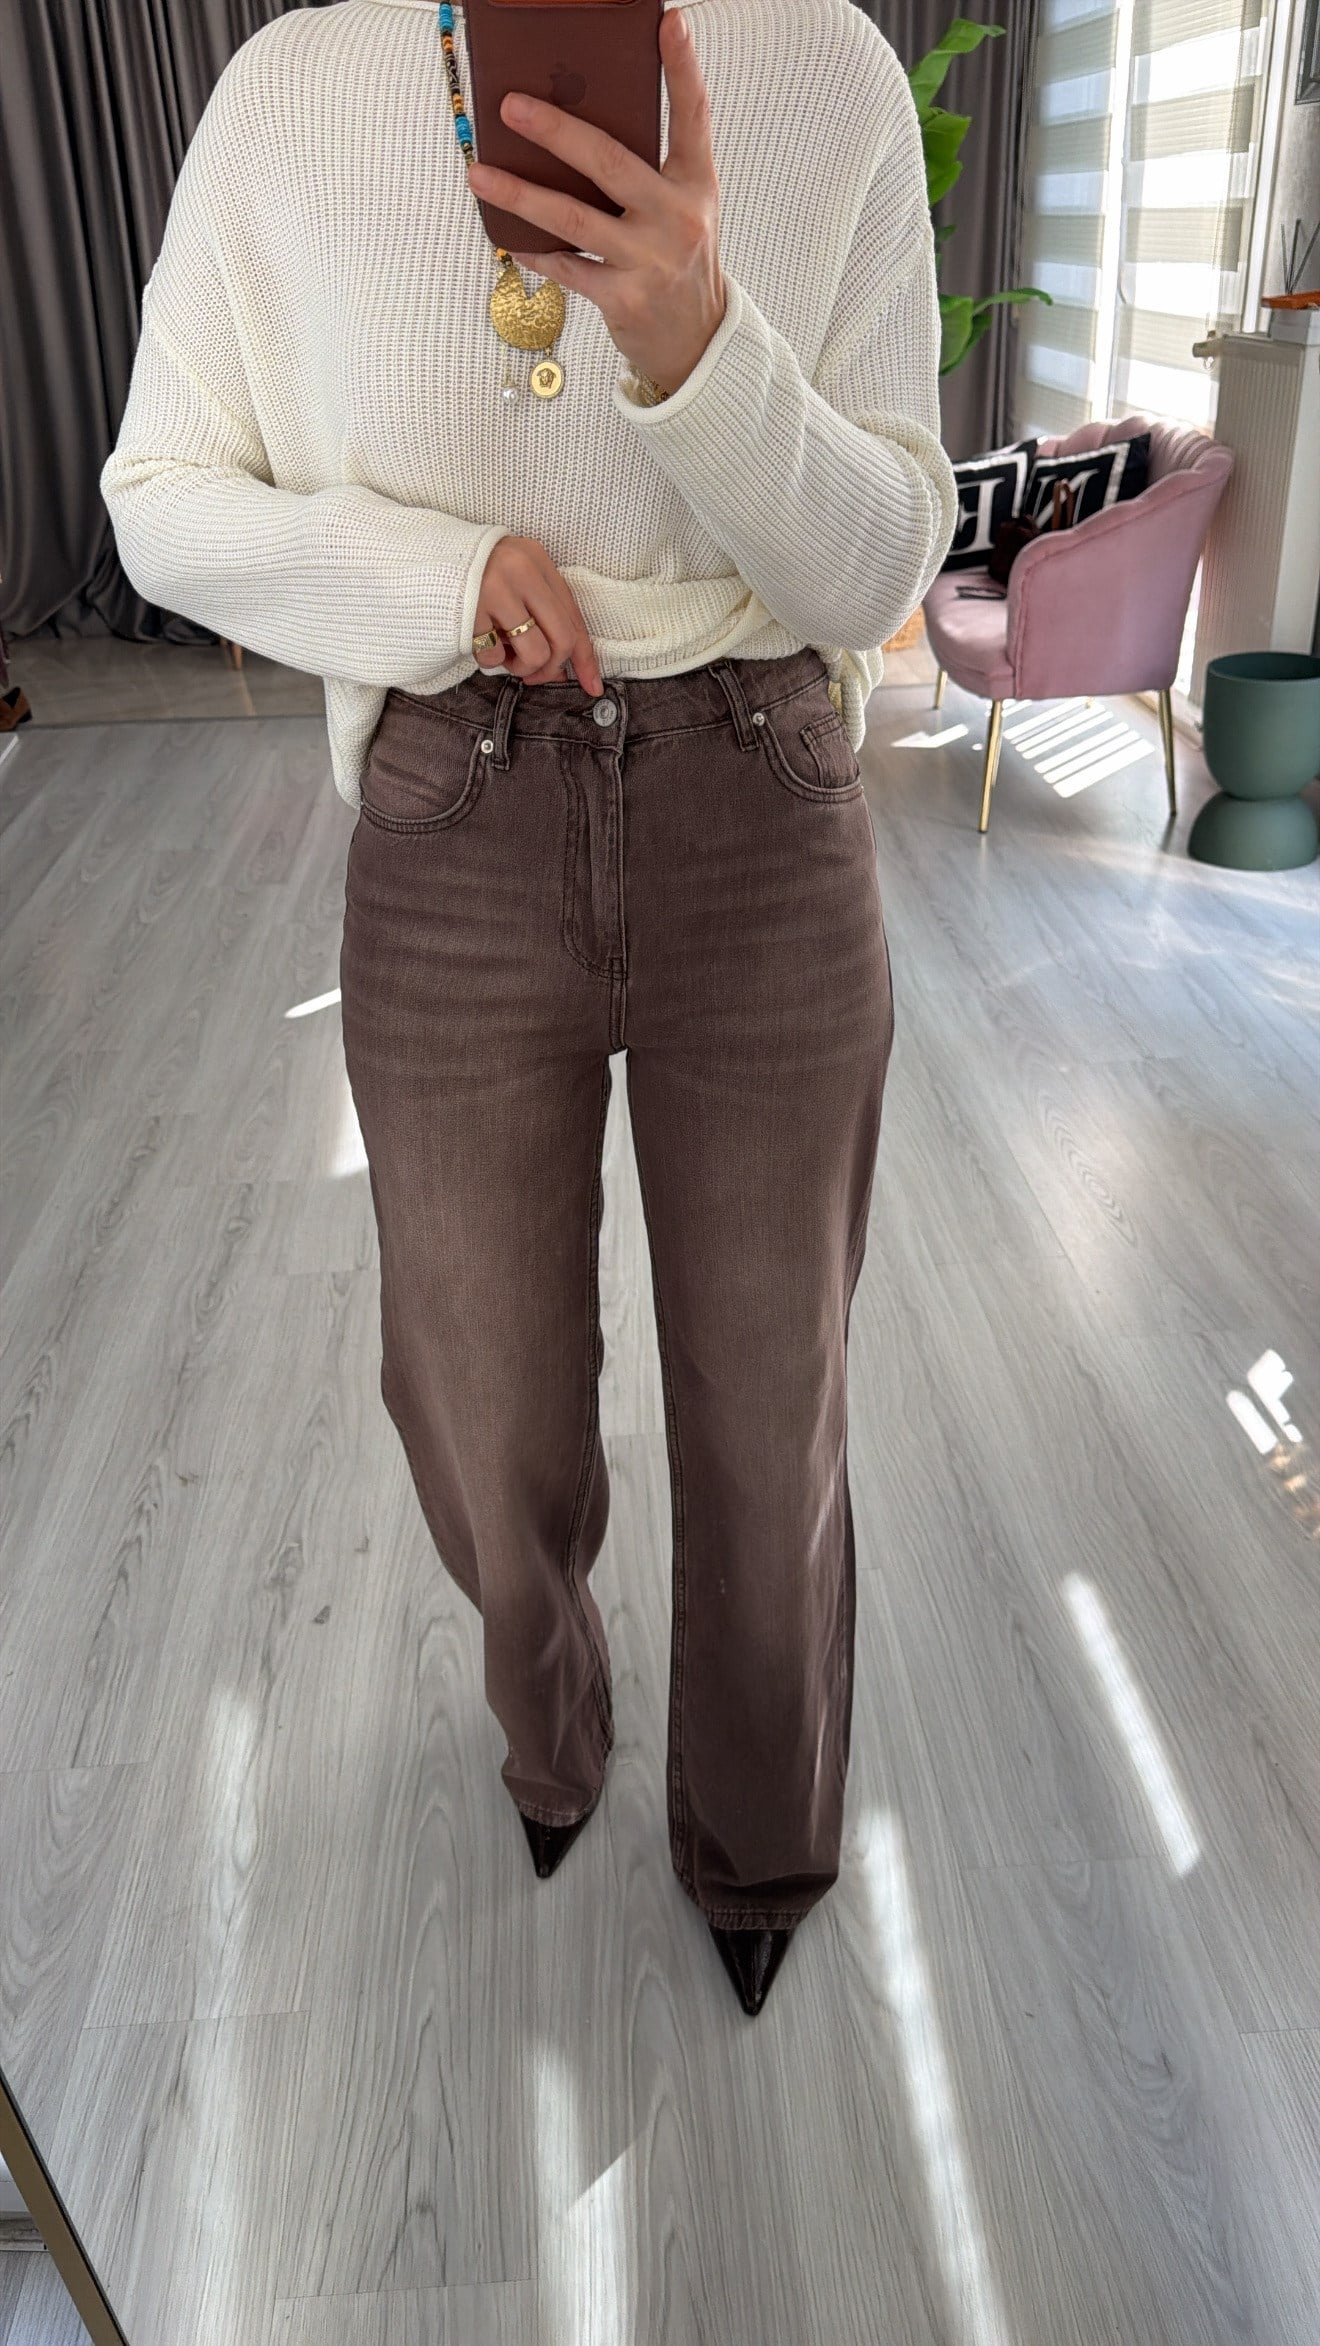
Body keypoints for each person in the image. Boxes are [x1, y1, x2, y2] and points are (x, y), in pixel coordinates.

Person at [101, 0, 957, 2019]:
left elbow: (881, 566)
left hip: (761, 790)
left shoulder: (827, 65)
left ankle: (759, 1834)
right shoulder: (290, 92)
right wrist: (436, 570)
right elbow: (160, 495)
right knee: (476, 1395)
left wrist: (699, 345)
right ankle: (550, 1730)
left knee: (772, 1398)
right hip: (453, 802)